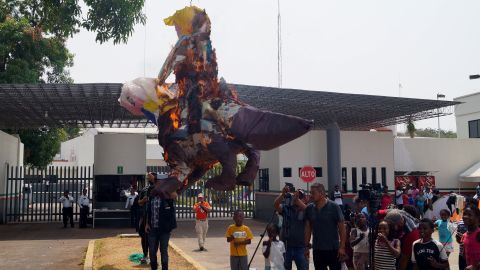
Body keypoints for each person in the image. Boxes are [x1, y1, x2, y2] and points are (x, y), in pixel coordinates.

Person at [304, 183, 346, 270]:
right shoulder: (309, 208)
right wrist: (306, 247)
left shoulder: (334, 207)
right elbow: (308, 229)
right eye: (310, 193)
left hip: (334, 250)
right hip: (317, 250)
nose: (311, 195)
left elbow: (342, 228)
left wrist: (342, 247)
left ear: (321, 193)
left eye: (313, 193)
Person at [145, 176, 177, 270]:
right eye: (157, 182)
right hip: (152, 229)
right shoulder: (152, 195)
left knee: (163, 251)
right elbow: (149, 210)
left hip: (164, 230)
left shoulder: (167, 196)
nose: (158, 184)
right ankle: (154, 267)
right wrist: (147, 223)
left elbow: (175, 195)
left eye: (160, 182)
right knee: (152, 251)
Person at [274, 185, 308, 270]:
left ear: (304, 199)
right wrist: (282, 194)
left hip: (301, 247)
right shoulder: (287, 208)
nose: (297, 198)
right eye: (296, 197)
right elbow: (276, 205)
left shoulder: (306, 210)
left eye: (300, 197)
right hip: (286, 247)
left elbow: (309, 211)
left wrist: (298, 201)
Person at [136, 172, 157, 264]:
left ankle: (154, 257)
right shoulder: (144, 190)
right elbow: (139, 203)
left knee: (155, 237)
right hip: (145, 217)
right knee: (144, 237)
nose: (149, 177)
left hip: (156, 217)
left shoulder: (159, 189)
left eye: (151, 176)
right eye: (148, 176)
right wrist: (143, 200)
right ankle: (145, 255)